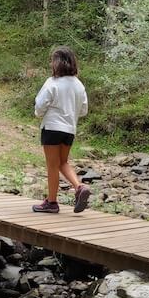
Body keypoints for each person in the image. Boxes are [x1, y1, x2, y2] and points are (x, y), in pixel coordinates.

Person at [32, 46, 90, 213]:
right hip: (69, 129)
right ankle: (79, 187)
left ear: (57, 63)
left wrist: (38, 114)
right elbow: (84, 110)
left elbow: (40, 105)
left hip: (52, 128)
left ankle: (51, 202)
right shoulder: (79, 85)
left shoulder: (53, 82)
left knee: (52, 165)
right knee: (62, 162)